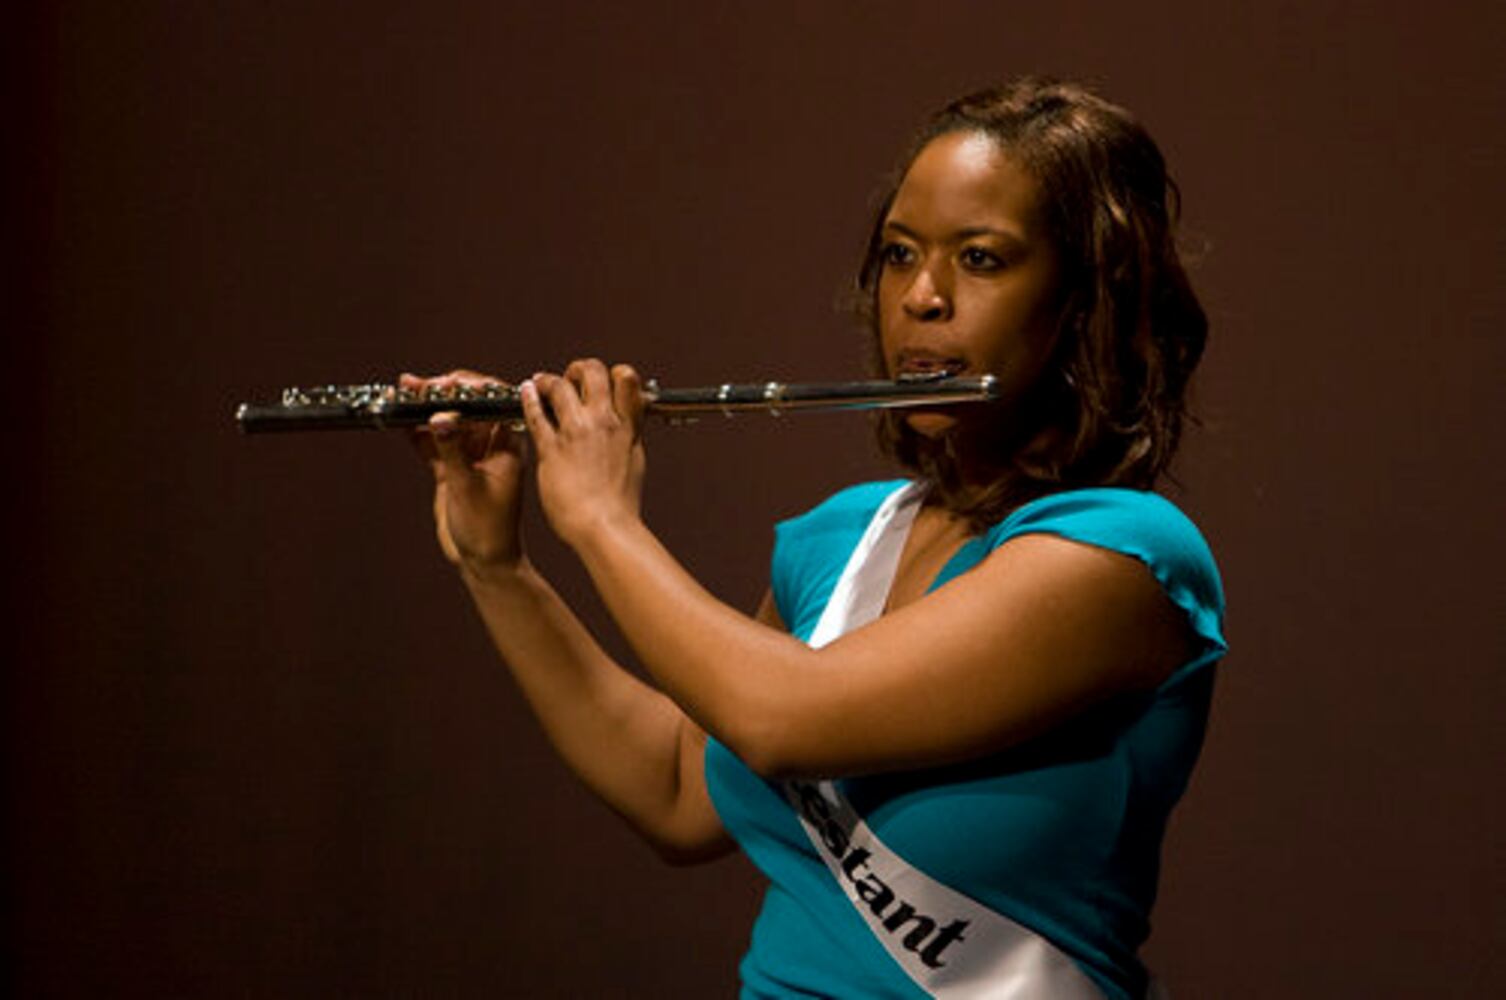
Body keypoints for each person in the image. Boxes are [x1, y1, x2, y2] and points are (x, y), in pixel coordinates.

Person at [404, 77, 1226, 1000]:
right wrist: (498, 565)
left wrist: (599, 519)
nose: (922, 296)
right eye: (900, 254)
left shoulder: (1122, 559)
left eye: (983, 260)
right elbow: (679, 789)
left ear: (1086, 299)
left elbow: (782, 720)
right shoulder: (841, 537)